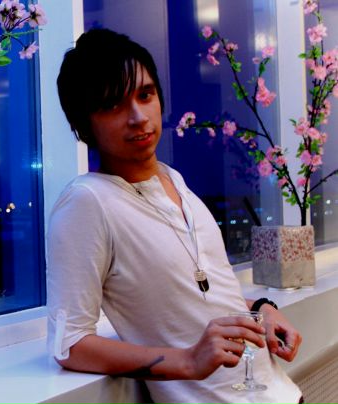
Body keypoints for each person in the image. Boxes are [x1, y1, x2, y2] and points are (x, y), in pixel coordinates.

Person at [47, 28, 303, 404]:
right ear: (85, 123)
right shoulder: (87, 202)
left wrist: (262, 310)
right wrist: (186, 361)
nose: (138, 117)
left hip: (283, 394)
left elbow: (195, 295)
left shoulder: (174, 180)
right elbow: (69, 344)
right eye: (113, 105)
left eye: (145, 94)